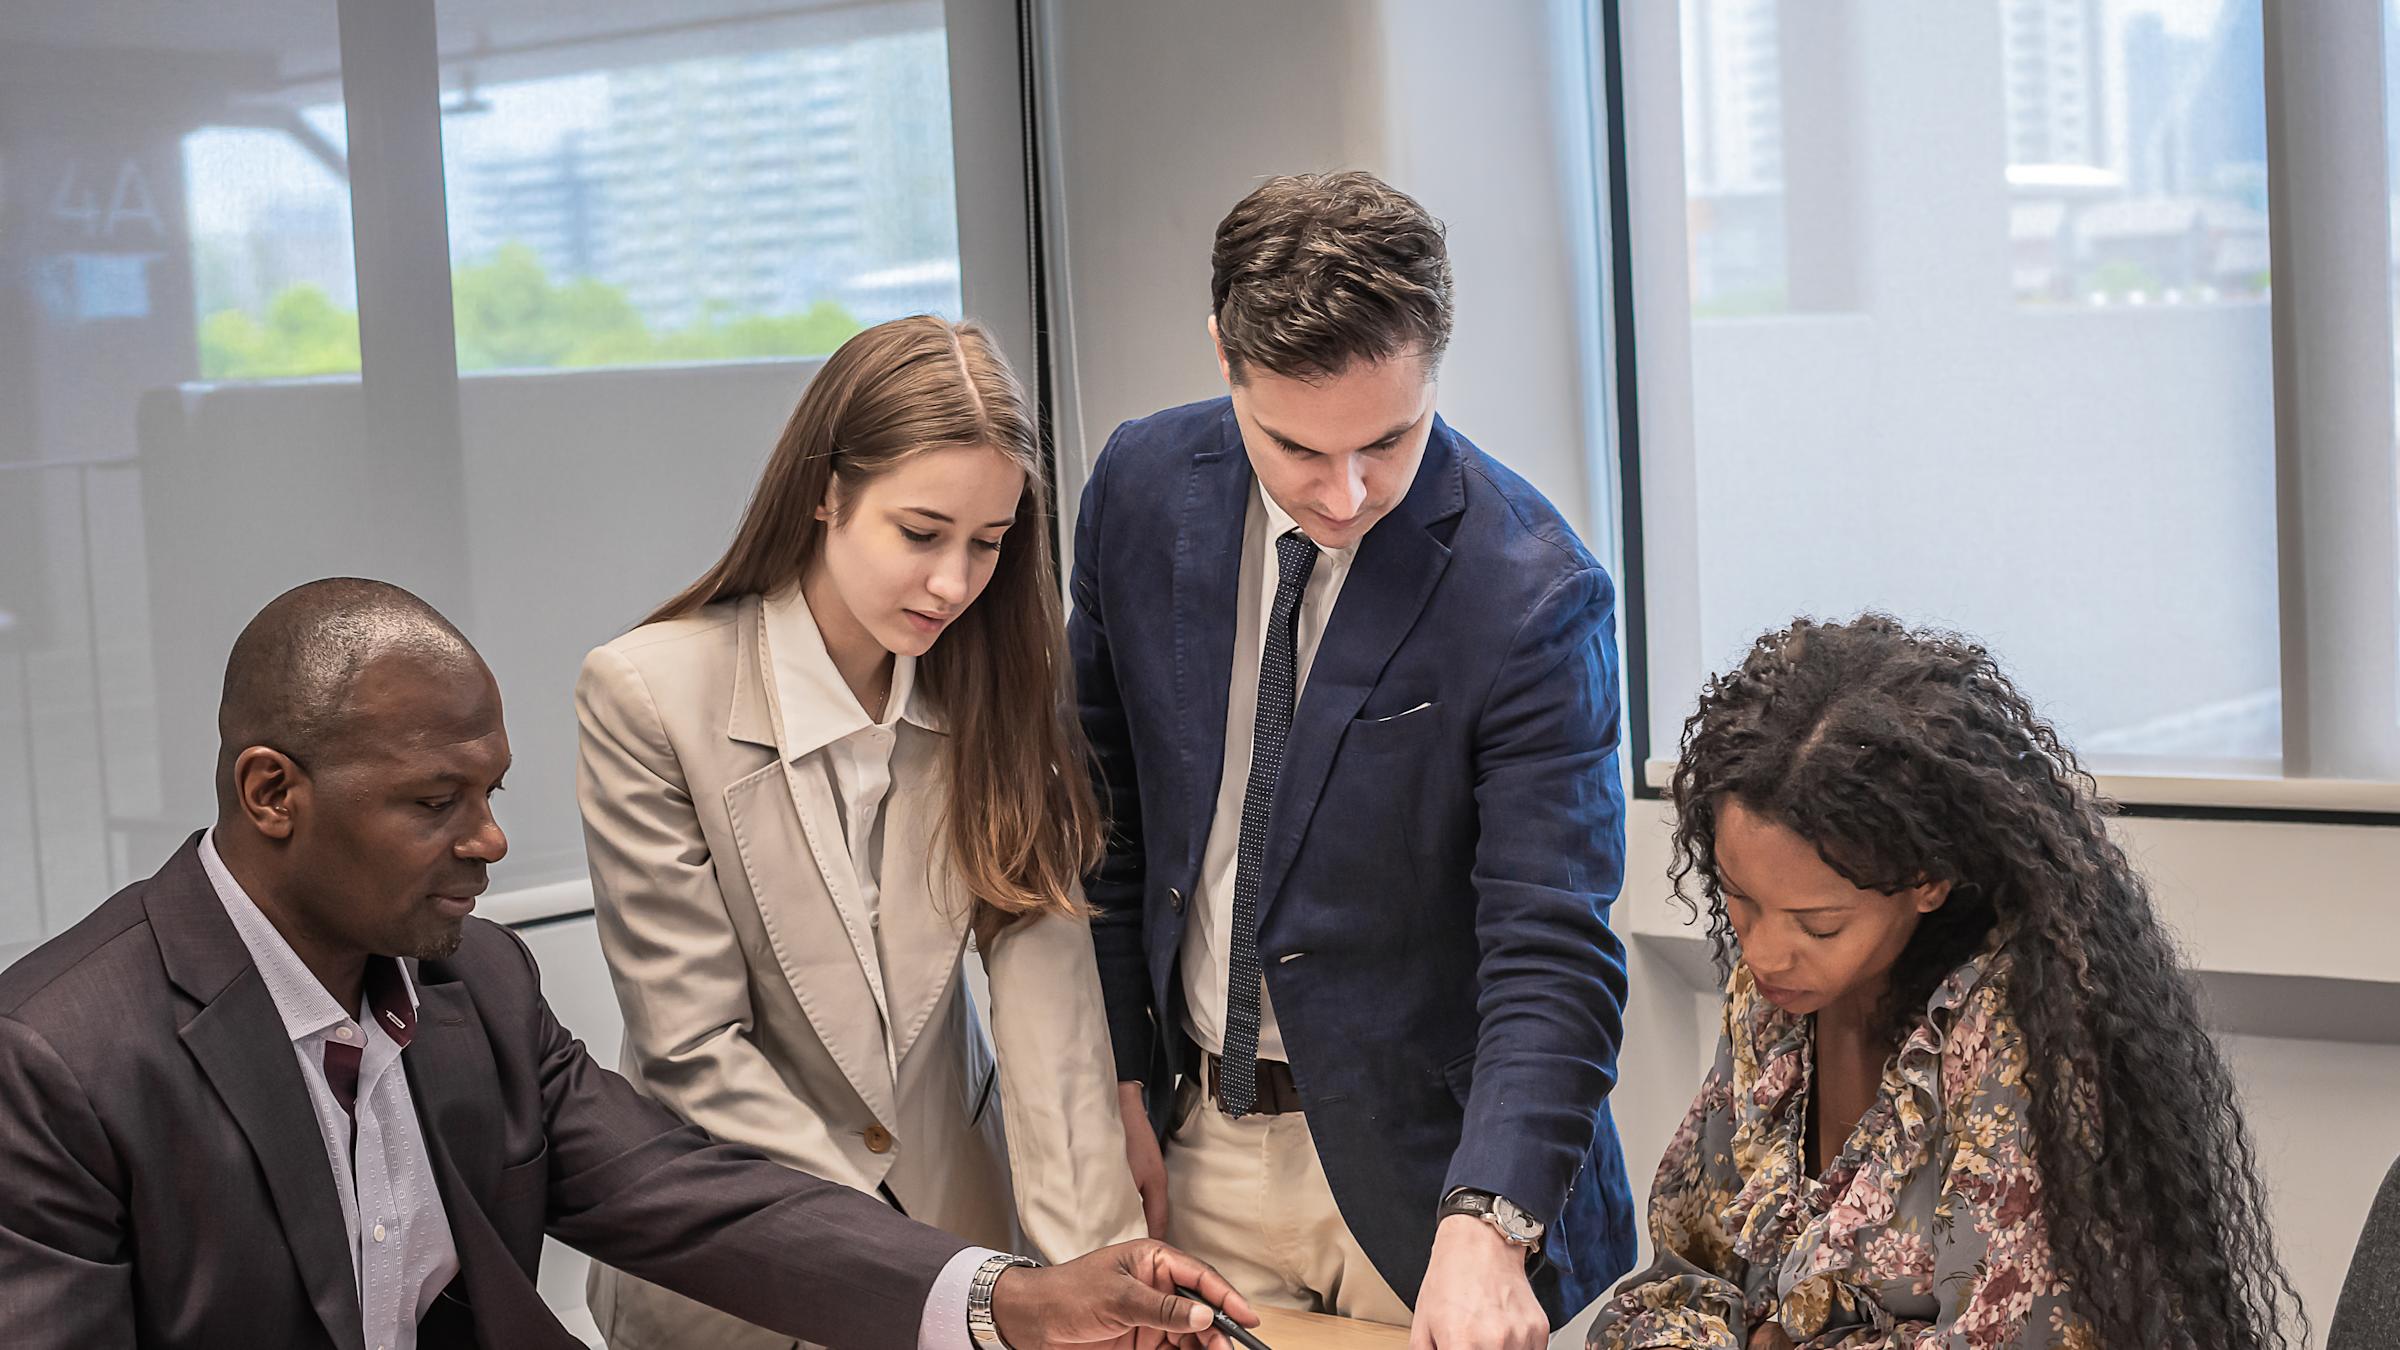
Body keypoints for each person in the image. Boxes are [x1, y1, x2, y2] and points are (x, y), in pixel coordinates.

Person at [0, 577, 1253, 1350]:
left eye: (490, 792)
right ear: (271, 792)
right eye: (436, 801)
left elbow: (698, 1201)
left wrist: (1017, 1304)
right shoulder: (57, 1063)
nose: (488, 840)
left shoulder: (473, 988)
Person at [1068, 170, 1636, 1349]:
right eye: (1297, 449)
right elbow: (1101, 819)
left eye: (1391, 438)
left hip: (1436, 1181)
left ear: (1435, 362)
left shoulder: (1534, 591)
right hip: (1200, 1139)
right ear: (1224, 354)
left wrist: (1488, 1224)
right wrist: (1120, 1079)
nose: (1347, 492)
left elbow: (1551, 943)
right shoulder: (1138, 488)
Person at [574, 315, 1145, 1349]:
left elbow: (1052, 1026)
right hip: (740, 1280)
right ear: (827, 491)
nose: (953, 585)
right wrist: (939, 1284)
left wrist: (1096, 1284)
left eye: (988, 544)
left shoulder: (1000, 692)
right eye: (921, 534)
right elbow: (696, 1049)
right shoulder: (649, 695)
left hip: (960, 1247)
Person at [1588, 614, 2301, 1350]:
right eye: (1739, 897)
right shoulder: (1771, 1006)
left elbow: (2017, 1337)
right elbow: (1685, 1278)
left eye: (1819, 924)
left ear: (1926, 880)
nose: (1766, 954)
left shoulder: (2018, 1032)